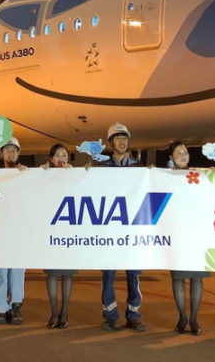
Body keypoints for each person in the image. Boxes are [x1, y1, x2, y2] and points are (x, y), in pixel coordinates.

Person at [98, 122, 146, 332]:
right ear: (110, 143)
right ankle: (110, 315)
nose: (121, 141)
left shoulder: (140, 168)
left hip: (133, 231)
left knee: (133, 276)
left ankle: (133, 314)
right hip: (110, 230)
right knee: (108, 275)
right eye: (117, 138)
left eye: (124, 137)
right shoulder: (102, 168)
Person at [166, 140, 210, 336]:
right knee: (178, 277)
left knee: (197, 278)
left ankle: (194, 318)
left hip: (197, 234)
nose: (183, 155)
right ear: (171, 158)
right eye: (178, 153)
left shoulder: (200, 175)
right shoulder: (165, 177)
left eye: (185, 152)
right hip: (176, 234)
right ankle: (182, 316)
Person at [0, 136, 27, 324]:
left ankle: (15, 306)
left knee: (17, 270)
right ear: (1, 154)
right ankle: (1, 307)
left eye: (14, 150)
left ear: (19, 153)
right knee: (1, 270)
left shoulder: (26, 173)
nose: (11, 153)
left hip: (19, 230)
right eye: (7, 150)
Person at [42, 144, 76, 329]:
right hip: (50, 232)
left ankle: (65, 312)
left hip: (69, 232)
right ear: (51, 159)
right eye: (57, 155)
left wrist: (76, 174)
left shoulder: (74, 175)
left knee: (67, 275)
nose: (61, 158)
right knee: (52, 274)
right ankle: (54, 312)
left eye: (64, 155)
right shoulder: (44, 175)